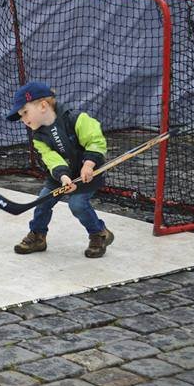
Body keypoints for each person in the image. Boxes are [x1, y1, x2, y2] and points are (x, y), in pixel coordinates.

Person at [8, 80, 115, 258]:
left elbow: (96, 141)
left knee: (77, 204)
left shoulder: (76, 118)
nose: (23, 119)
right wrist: (63, 176)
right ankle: (38, 236)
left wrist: (89, 164)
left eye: (25, 112)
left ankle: (99, 234)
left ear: (43, 106)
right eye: (21, 116)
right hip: (61, 175)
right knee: (43, 201)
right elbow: (51, 158)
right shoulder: (38, 136)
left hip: (87, 172)